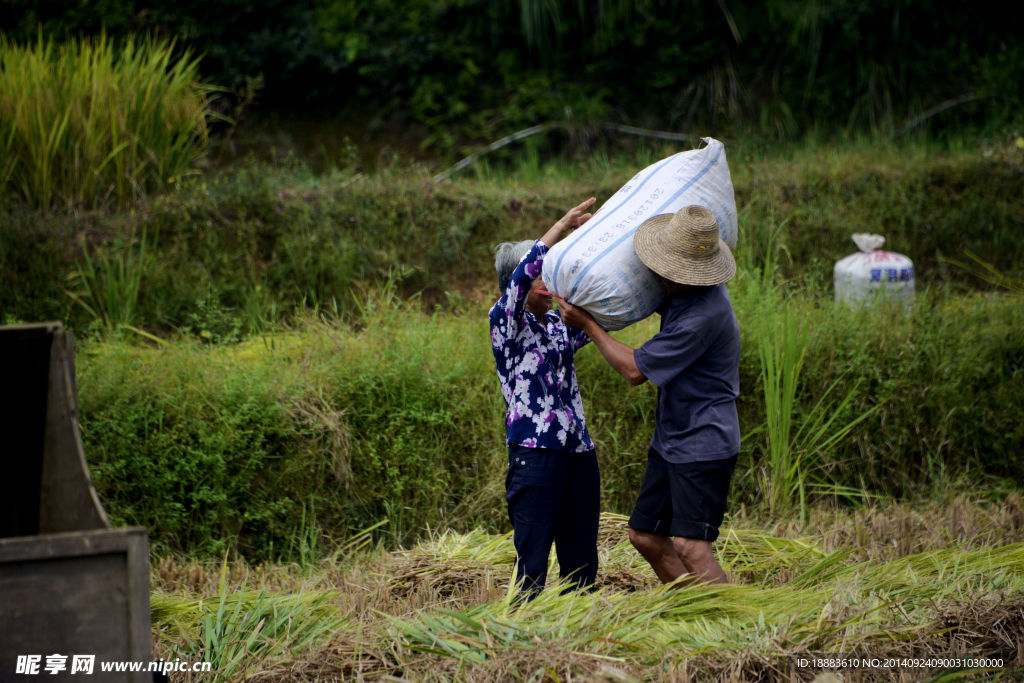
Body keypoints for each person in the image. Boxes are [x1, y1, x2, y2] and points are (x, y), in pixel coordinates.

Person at [559, 205, 739, 586]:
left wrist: (587, 324)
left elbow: (634, 370)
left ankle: (732, 625)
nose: (662, 276)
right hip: (672, 439)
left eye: (672, 270)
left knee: (691, 546)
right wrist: (599, 243)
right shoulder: (683, 288)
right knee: (645, 537)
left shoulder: (702, 317)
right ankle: (694, 611)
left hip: (703, 443)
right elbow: (632, 283)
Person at [489, 196, 601, 599]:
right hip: (535, 456)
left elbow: (603, 314)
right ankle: (527, 645)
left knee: (583, 565)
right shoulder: (504, 323)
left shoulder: (558, 324)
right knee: (532, 569)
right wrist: (562, 225)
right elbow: (525, 273)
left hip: (578, 453)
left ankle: (577, 641)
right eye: (543, 274)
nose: (547, 280)